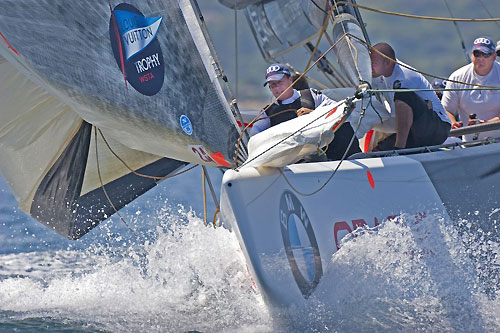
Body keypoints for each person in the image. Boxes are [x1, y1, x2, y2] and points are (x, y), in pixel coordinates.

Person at [250, 63, 361, 160]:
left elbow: (340, 113)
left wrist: (314, 114)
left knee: (344, 128)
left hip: (324, 153)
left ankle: (353, 161)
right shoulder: (267, 112)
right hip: (293, 161)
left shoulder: (312, 95)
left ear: (290, 80)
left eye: (280, 82)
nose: (277, 88)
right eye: (273, 85)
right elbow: (255, 136)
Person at [370, 42, 451, 150]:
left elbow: (397, 118)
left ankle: (400, 149)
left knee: (403, 95)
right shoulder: (380, 75)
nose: (369, 66)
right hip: (414, 129)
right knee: (377, 151)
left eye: (373, 63)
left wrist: (372, 123)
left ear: (387, 63)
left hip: (437, 127)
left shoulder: (405, 77)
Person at [442, 36, 500, 141]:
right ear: (472, 55)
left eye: (486, 54)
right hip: (469, 145)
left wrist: (486, 124)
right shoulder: (457, 77)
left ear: (494, 56)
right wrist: (454, 124)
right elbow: (446, 109)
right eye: (477, 54)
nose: (481, 58)